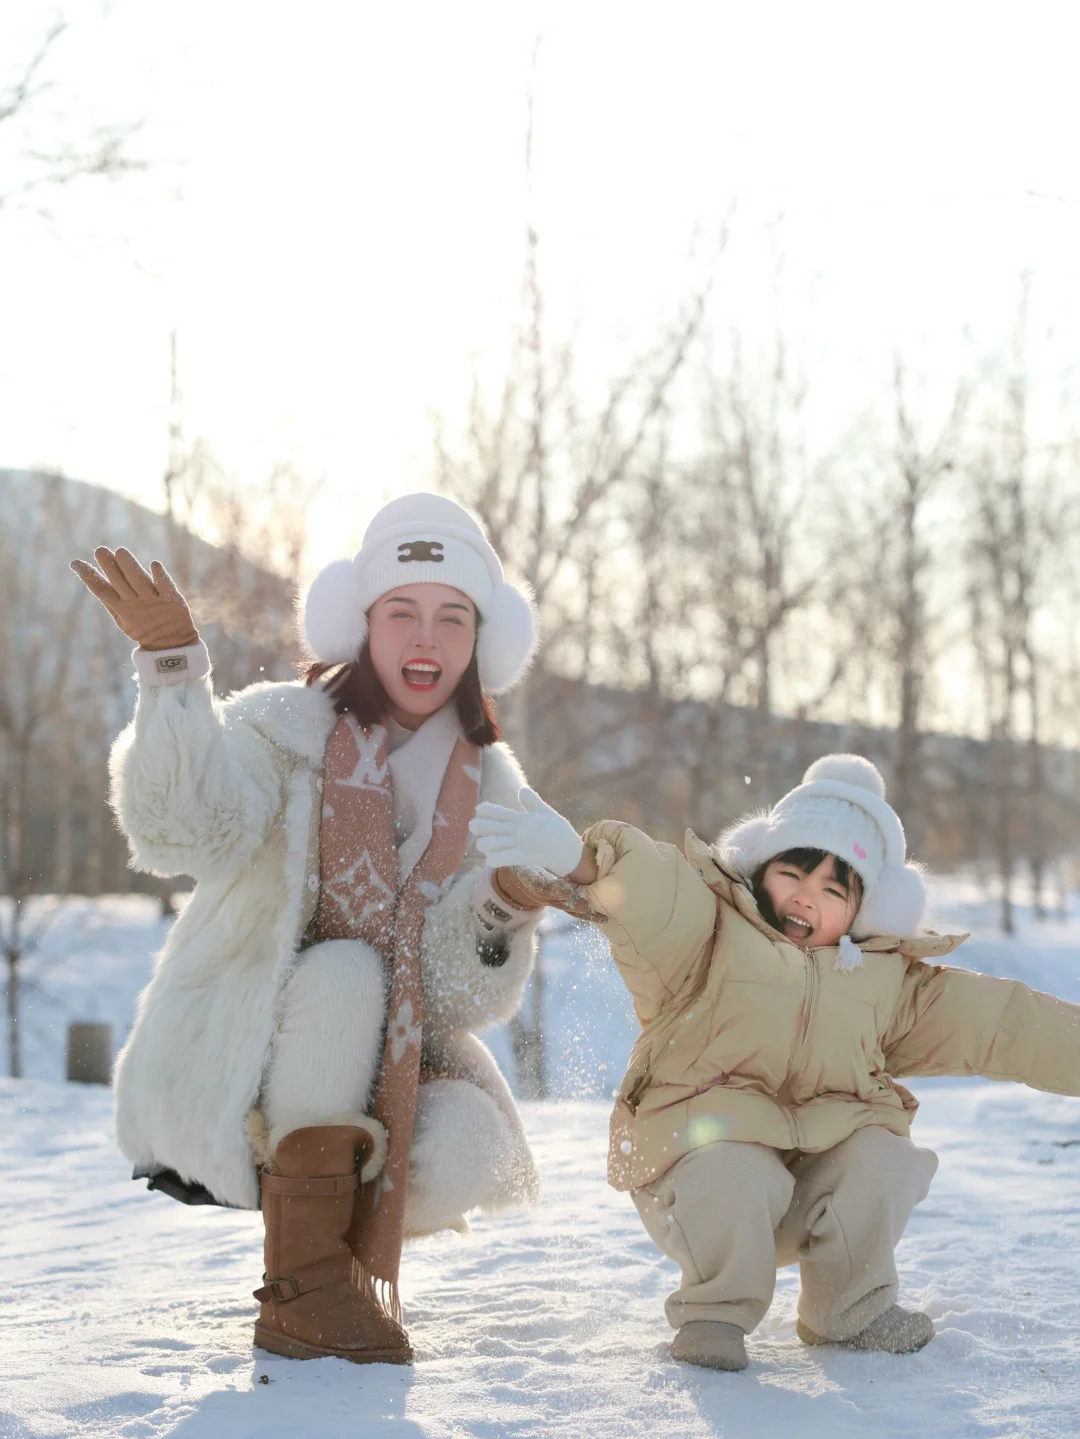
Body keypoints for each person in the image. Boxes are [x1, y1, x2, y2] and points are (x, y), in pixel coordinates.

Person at [71, 492, 547, 1366]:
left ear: (482, 639)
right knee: (345, 973)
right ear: (360, 623)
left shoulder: (494, 790)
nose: (426, 639)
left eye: (452, 617)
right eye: (401, 612)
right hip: (246, 1055)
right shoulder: (286, 728)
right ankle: (305, 1290)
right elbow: (182, 832)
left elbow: (461, 997)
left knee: (473, 1138)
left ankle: (332, 1259)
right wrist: (171, 670)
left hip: (387, 1072)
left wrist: (500, 909)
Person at [470, 753, 1080, 1371]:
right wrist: (578, 858)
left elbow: (1002, 1022)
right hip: (701, 1173)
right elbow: (655, 897)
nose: (805, 898)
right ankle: (715, 1313)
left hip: (815, 1182)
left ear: (861, 909)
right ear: (762, 869)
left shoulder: (887, 983)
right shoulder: (709, 934)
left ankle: (850, 1307)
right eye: (793, 874)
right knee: (736, 1171)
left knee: (885, 1157)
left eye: (832, 890)